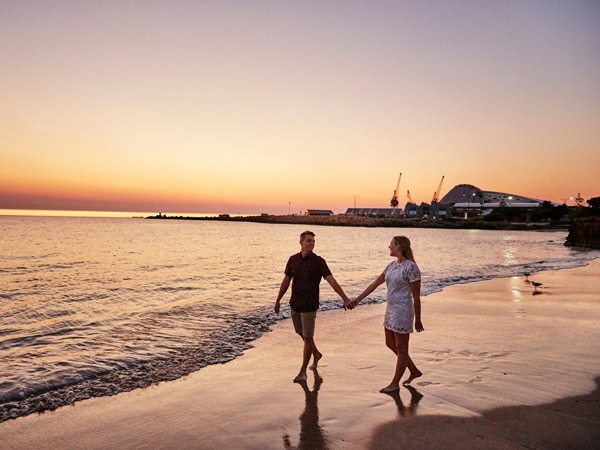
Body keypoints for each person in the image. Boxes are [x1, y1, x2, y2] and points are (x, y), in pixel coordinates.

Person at [349, 235, 424, 392]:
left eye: (391, 244)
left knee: (402, 348)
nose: (389, 247)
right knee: (390, 343)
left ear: (398, 247)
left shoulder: (411, 267)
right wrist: (357, 299)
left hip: (403, 310)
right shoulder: (391, 265)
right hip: (391, 309)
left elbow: (416, 296)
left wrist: (418, 320)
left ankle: (395, 383)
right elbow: (375, 284)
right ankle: (414, 370)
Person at [275, 230, 351, 383]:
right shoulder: (293, 260)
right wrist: (277, 300)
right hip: (295, 303)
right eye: (309, 241)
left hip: (310, 305)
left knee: (308, 337)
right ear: (301, 242)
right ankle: (316, 354)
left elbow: (332, 281)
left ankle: (303, 371)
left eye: (313, 241)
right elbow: (286, 282)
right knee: (300, 332)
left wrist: (345, 298)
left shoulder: (319, 262)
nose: (311, 244)